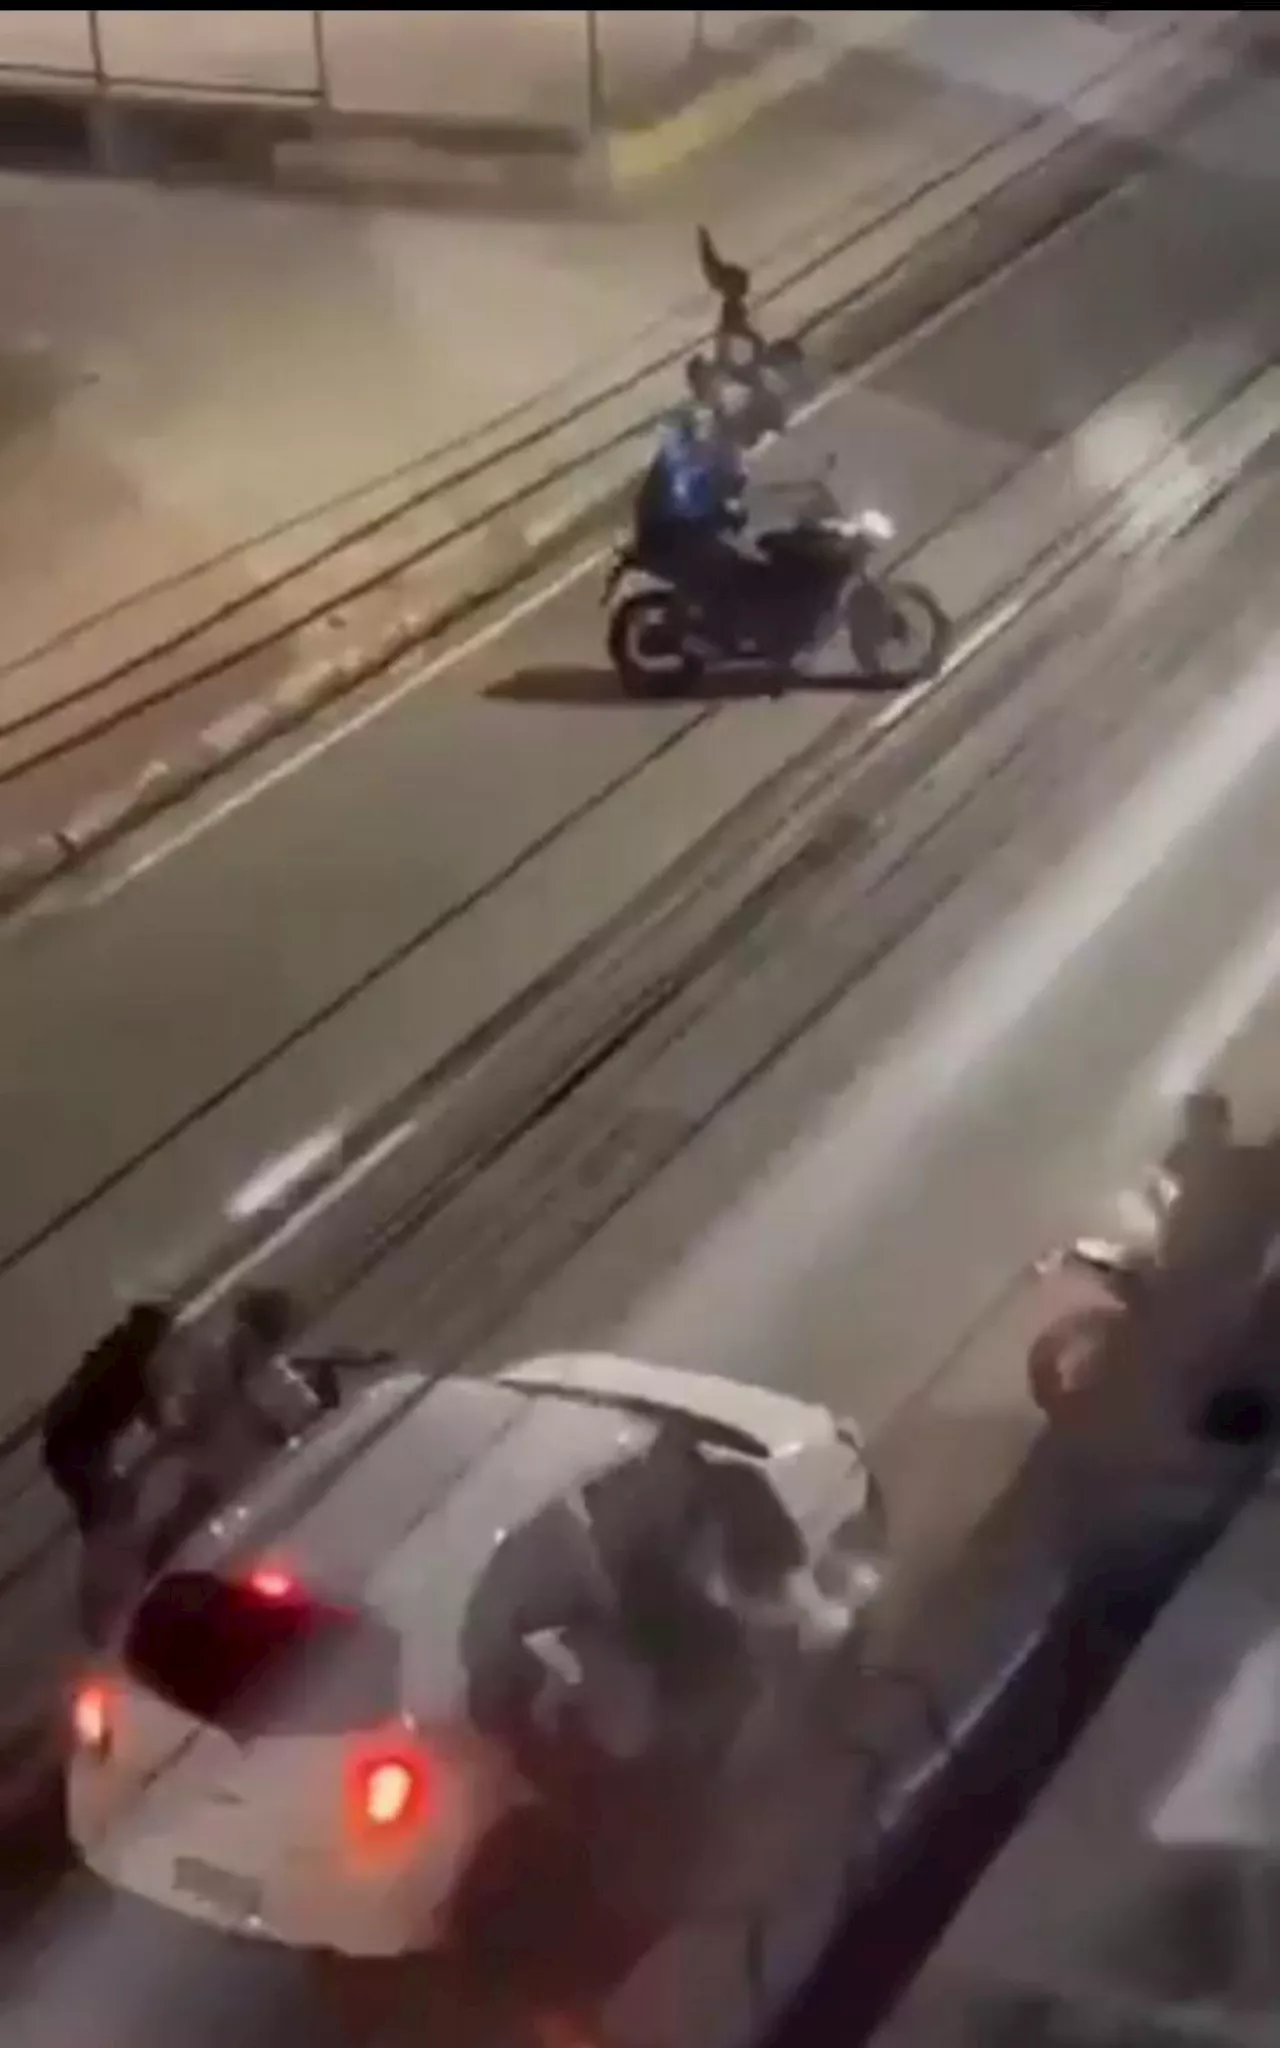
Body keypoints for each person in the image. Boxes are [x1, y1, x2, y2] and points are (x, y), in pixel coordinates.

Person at [632, 355, 757, 641]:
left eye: (718, 383)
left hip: (693, 515)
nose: (718, 389)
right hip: (669, 523)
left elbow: (733, 463)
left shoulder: (715, 418)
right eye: (711, 383)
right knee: (722, 564)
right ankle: (713, 633)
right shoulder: (687, 423)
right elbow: (681, 478)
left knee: (751, 553)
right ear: (698, 384)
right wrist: (713, 506)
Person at [42, 1301, 173, 1534]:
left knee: (104, 1507)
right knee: (106, 1508)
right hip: (75, 1444)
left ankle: (106, 1547)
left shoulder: (117, 1353)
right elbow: (154, 1417)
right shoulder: (131, 1365)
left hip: (67, 1440)